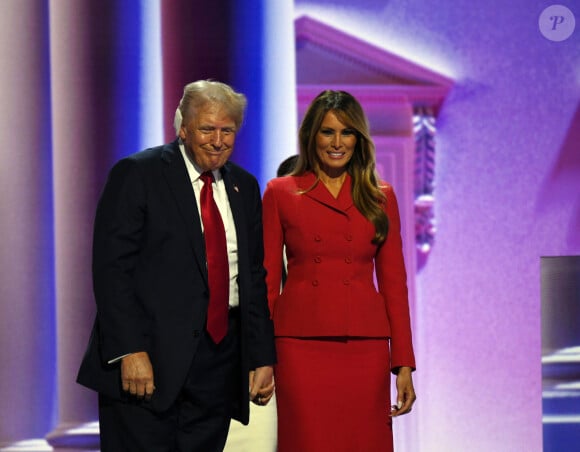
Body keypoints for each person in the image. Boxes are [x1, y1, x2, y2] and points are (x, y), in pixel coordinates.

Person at [77, 80, 276, 452]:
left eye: (227, 130)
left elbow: (251, 276)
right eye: (206, 129)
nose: (217, 140)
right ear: (183, 127)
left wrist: (262, 355)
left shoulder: (244, 187)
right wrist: (130, 350)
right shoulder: (138, 174)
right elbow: (112, 271)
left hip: (218, 367)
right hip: (147, 364)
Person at [262, 90, 416, 452]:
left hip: (365, 346)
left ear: (359, 139)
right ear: (311, 136)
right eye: (327, 132)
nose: (337, 143)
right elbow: (266, 281)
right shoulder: (281, 192)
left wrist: (404, 363)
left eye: (347, 133)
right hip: (299, 345)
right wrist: (260, 357)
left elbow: (395, 283)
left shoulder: (380, 195)